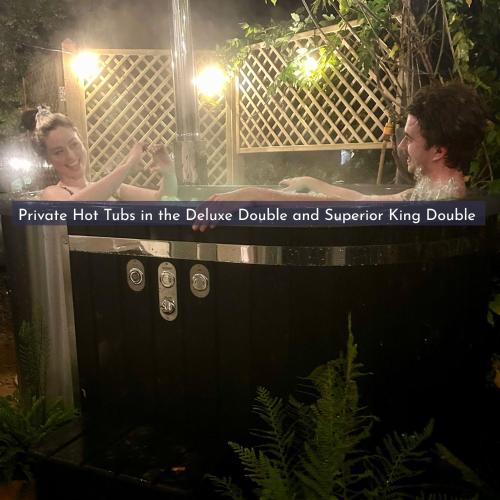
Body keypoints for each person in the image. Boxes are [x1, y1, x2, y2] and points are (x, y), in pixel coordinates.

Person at [206, 81, 486, 204]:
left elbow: (340, 209)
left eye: (409, 139)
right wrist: (312, 183)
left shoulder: (439, 205)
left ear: (438, 151)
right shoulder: (433, 195)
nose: (402, 147)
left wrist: (254, 196)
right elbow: (364, 200)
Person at [32, 109, 175, 201]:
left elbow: (161, 200)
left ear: (82, 141)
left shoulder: (112, 188)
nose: (70, 156)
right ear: (49, 159)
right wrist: (128, 166)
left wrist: (169, 174)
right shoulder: (52, 193)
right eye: (58, 152)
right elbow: (72, 209)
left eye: (74, 144)